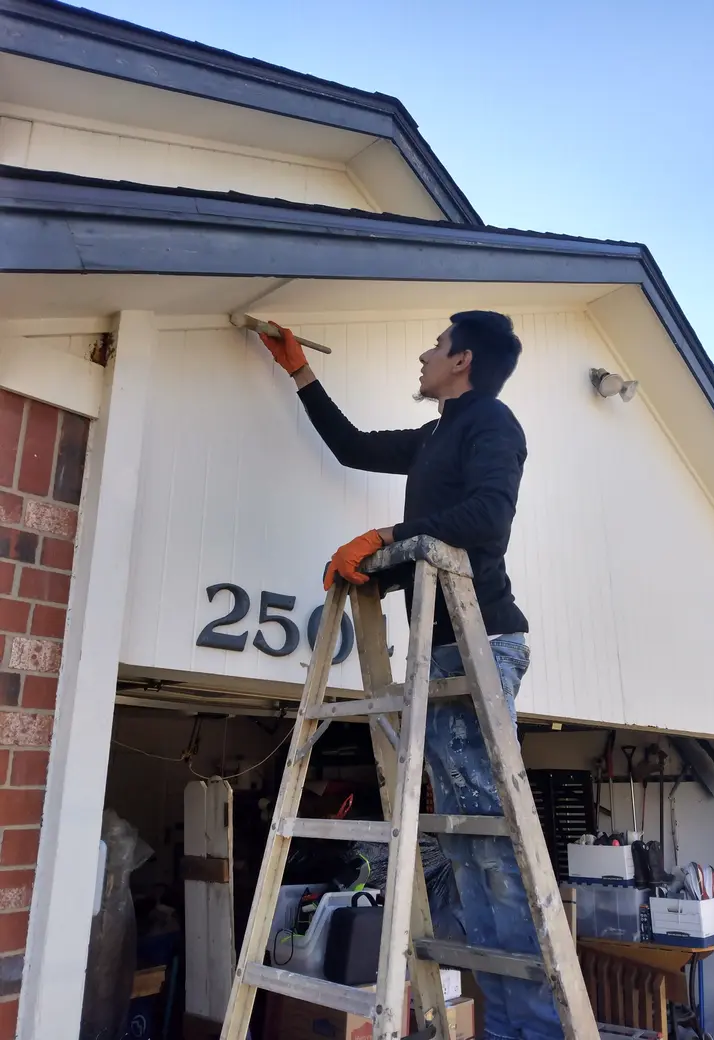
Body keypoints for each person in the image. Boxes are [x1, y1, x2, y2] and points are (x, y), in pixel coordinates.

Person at [260, 312, 562, 1040]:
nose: (423, 355)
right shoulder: (434, 437)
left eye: (435, 344)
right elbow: (353, 445)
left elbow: (489, 516)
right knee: (464, 846)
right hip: (443, 648)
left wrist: (390, 537)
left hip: (480, 640)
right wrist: (299, 370)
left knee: (489, 851)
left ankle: (534, 1033)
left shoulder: (494, 422)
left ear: (462, 360)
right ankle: (507, 1028)